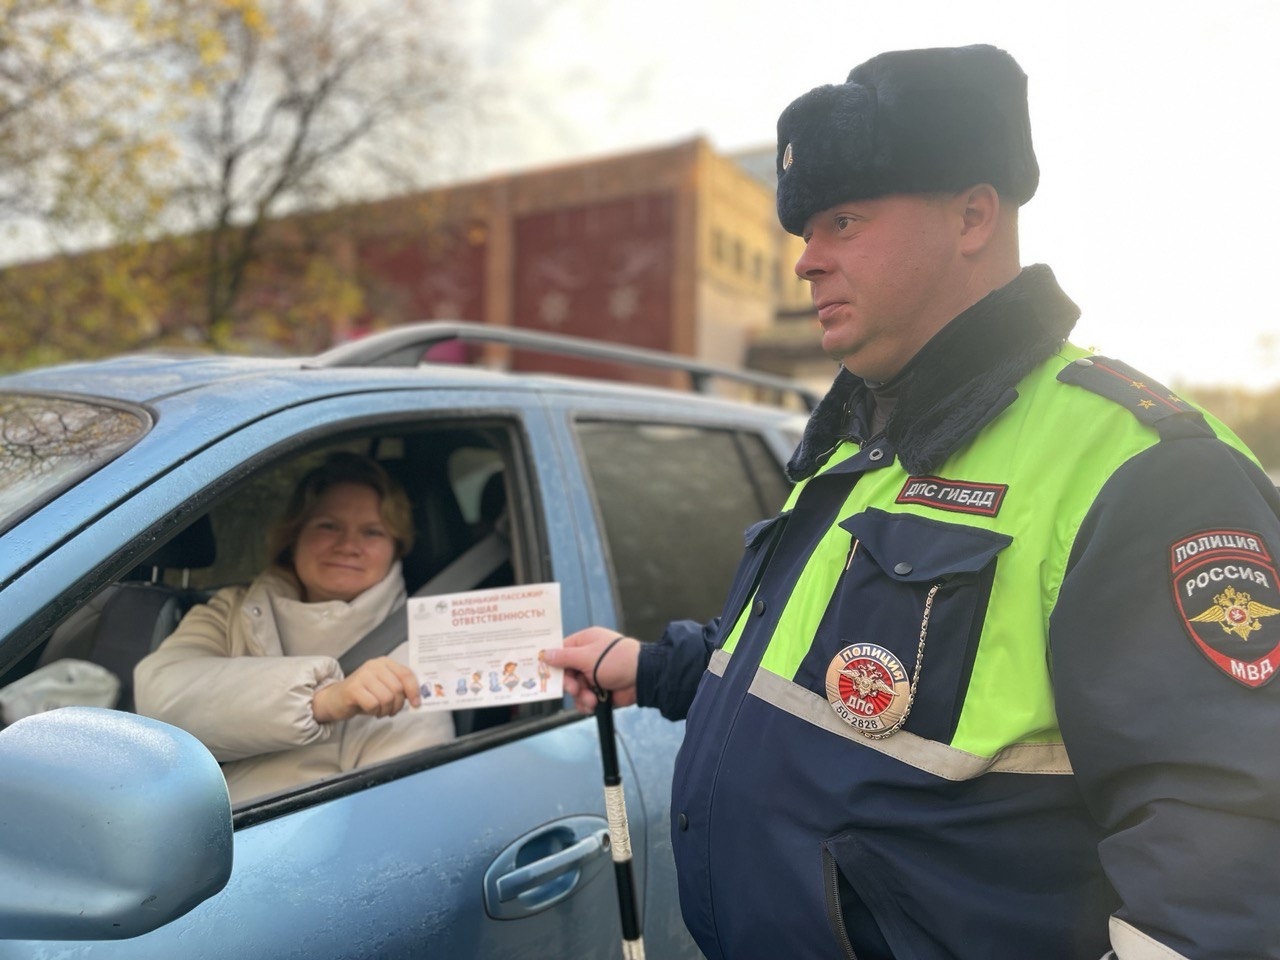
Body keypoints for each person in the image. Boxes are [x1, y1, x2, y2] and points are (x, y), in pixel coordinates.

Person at [543, 44, 1280, 960]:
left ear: (974, 214)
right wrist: (652, 667)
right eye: (804, 229)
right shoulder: (856, 439)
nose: (806, 262)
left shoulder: (1144, 465)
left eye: (844, 221)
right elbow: (811, 684)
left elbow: (1231, 849)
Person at [135, 452, 454, 804]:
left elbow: (395, 812)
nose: (348, 546)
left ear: (396, 549)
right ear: (293, 537)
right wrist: (321, 700)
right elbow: (159, 702)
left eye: (372, 532)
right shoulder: (230, 610)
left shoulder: (417, 650)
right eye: (328, 525)